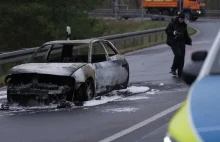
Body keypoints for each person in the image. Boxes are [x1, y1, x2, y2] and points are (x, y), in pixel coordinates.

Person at [165, 12, 192, 77]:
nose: (181, 20)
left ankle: (180, 72)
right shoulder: (173, 23)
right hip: (173, 41)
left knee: (182, 57)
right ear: (178, 18)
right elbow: (167, 30)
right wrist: (173, 32)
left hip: (181, 41)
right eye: (180, 19)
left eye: (182, 19)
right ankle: (173, 68)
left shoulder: (184, 25)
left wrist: (188, 40)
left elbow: (185, 34)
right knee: (178, 54)